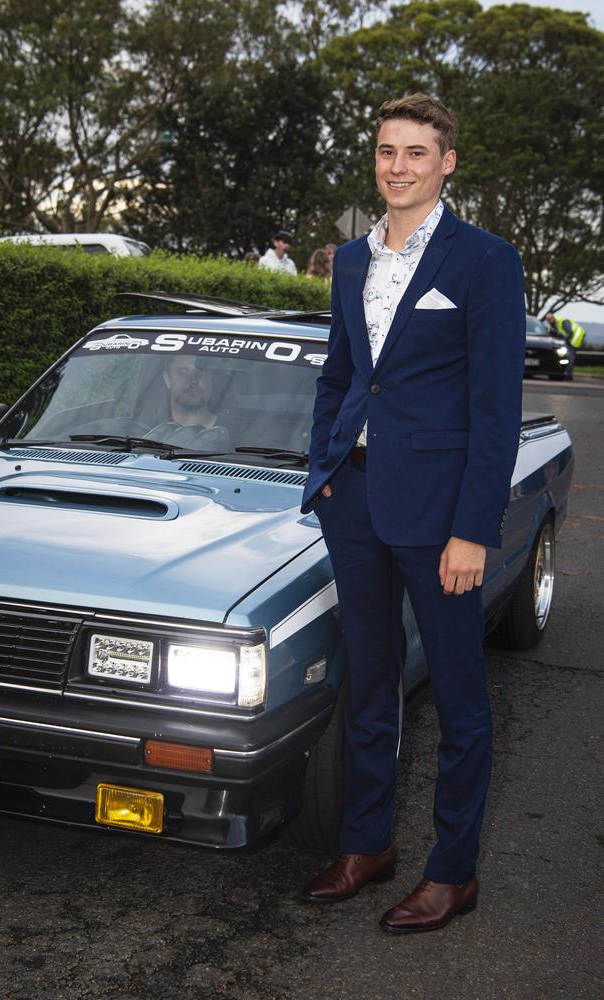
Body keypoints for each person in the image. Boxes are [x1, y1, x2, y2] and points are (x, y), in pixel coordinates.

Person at [300, 93, 526, 933]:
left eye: (416, 153)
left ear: (447, 163)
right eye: (387, 151)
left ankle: (452, 871)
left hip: (439, 517)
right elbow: (341, 372)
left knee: (462, 696)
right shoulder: (352, 261)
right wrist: (324, 465)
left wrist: (474, 527)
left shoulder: (484, 261)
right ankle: (368, 846)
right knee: (369, 682)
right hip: (353, 501)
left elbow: (495, 407)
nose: (398, 166)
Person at [147, 355, 230, 451]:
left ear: (210, 379)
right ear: (167, 379)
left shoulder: (240, 435)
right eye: (182, 373)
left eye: (200, 372)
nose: (193, 380)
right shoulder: (147, 431)